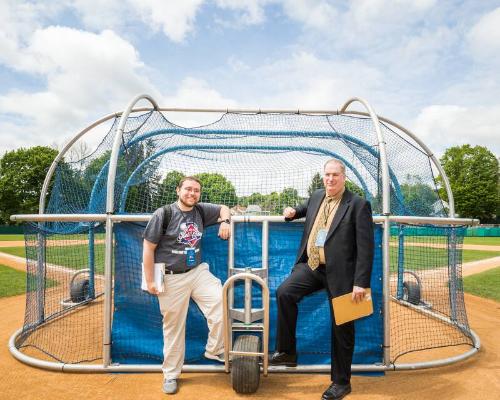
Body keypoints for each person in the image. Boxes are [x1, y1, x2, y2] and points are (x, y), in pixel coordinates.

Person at [270, 159, 374, 400]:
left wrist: (360, 282)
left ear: (343, 177)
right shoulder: (318, 195)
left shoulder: (358, 205)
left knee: (342, 327)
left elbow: (366, 249)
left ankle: (341, 383)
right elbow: (305, 207)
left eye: (335, 175)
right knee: (284, 293)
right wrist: (293, 211)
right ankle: (287, 352)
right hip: (313, 266)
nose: (330, 179)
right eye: (327, 174)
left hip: (344, 276)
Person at [143, 176, 231, 395]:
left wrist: (225, 221)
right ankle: (171, 374)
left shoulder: (200, 210)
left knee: (221, 300)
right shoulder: (163, 214)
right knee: (173, 327)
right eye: (188, 189)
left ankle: (215, 349)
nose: (192, 194)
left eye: (196, 191)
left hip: (197, 272)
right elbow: (148, 248)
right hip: (171, 276)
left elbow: (224, 208)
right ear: (178, 190)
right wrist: (151, 281)